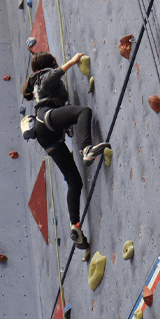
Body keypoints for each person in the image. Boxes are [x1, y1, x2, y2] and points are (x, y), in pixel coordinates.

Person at [22, 52, 111, 250]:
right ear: (50, 63)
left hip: (46, 136)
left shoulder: (34, 84)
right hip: (47, 119)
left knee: (74, 181)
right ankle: (87, 149)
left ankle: (74, 226)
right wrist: (73, 60)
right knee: (83, 112)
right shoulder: (42, 76)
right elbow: (53, 76)